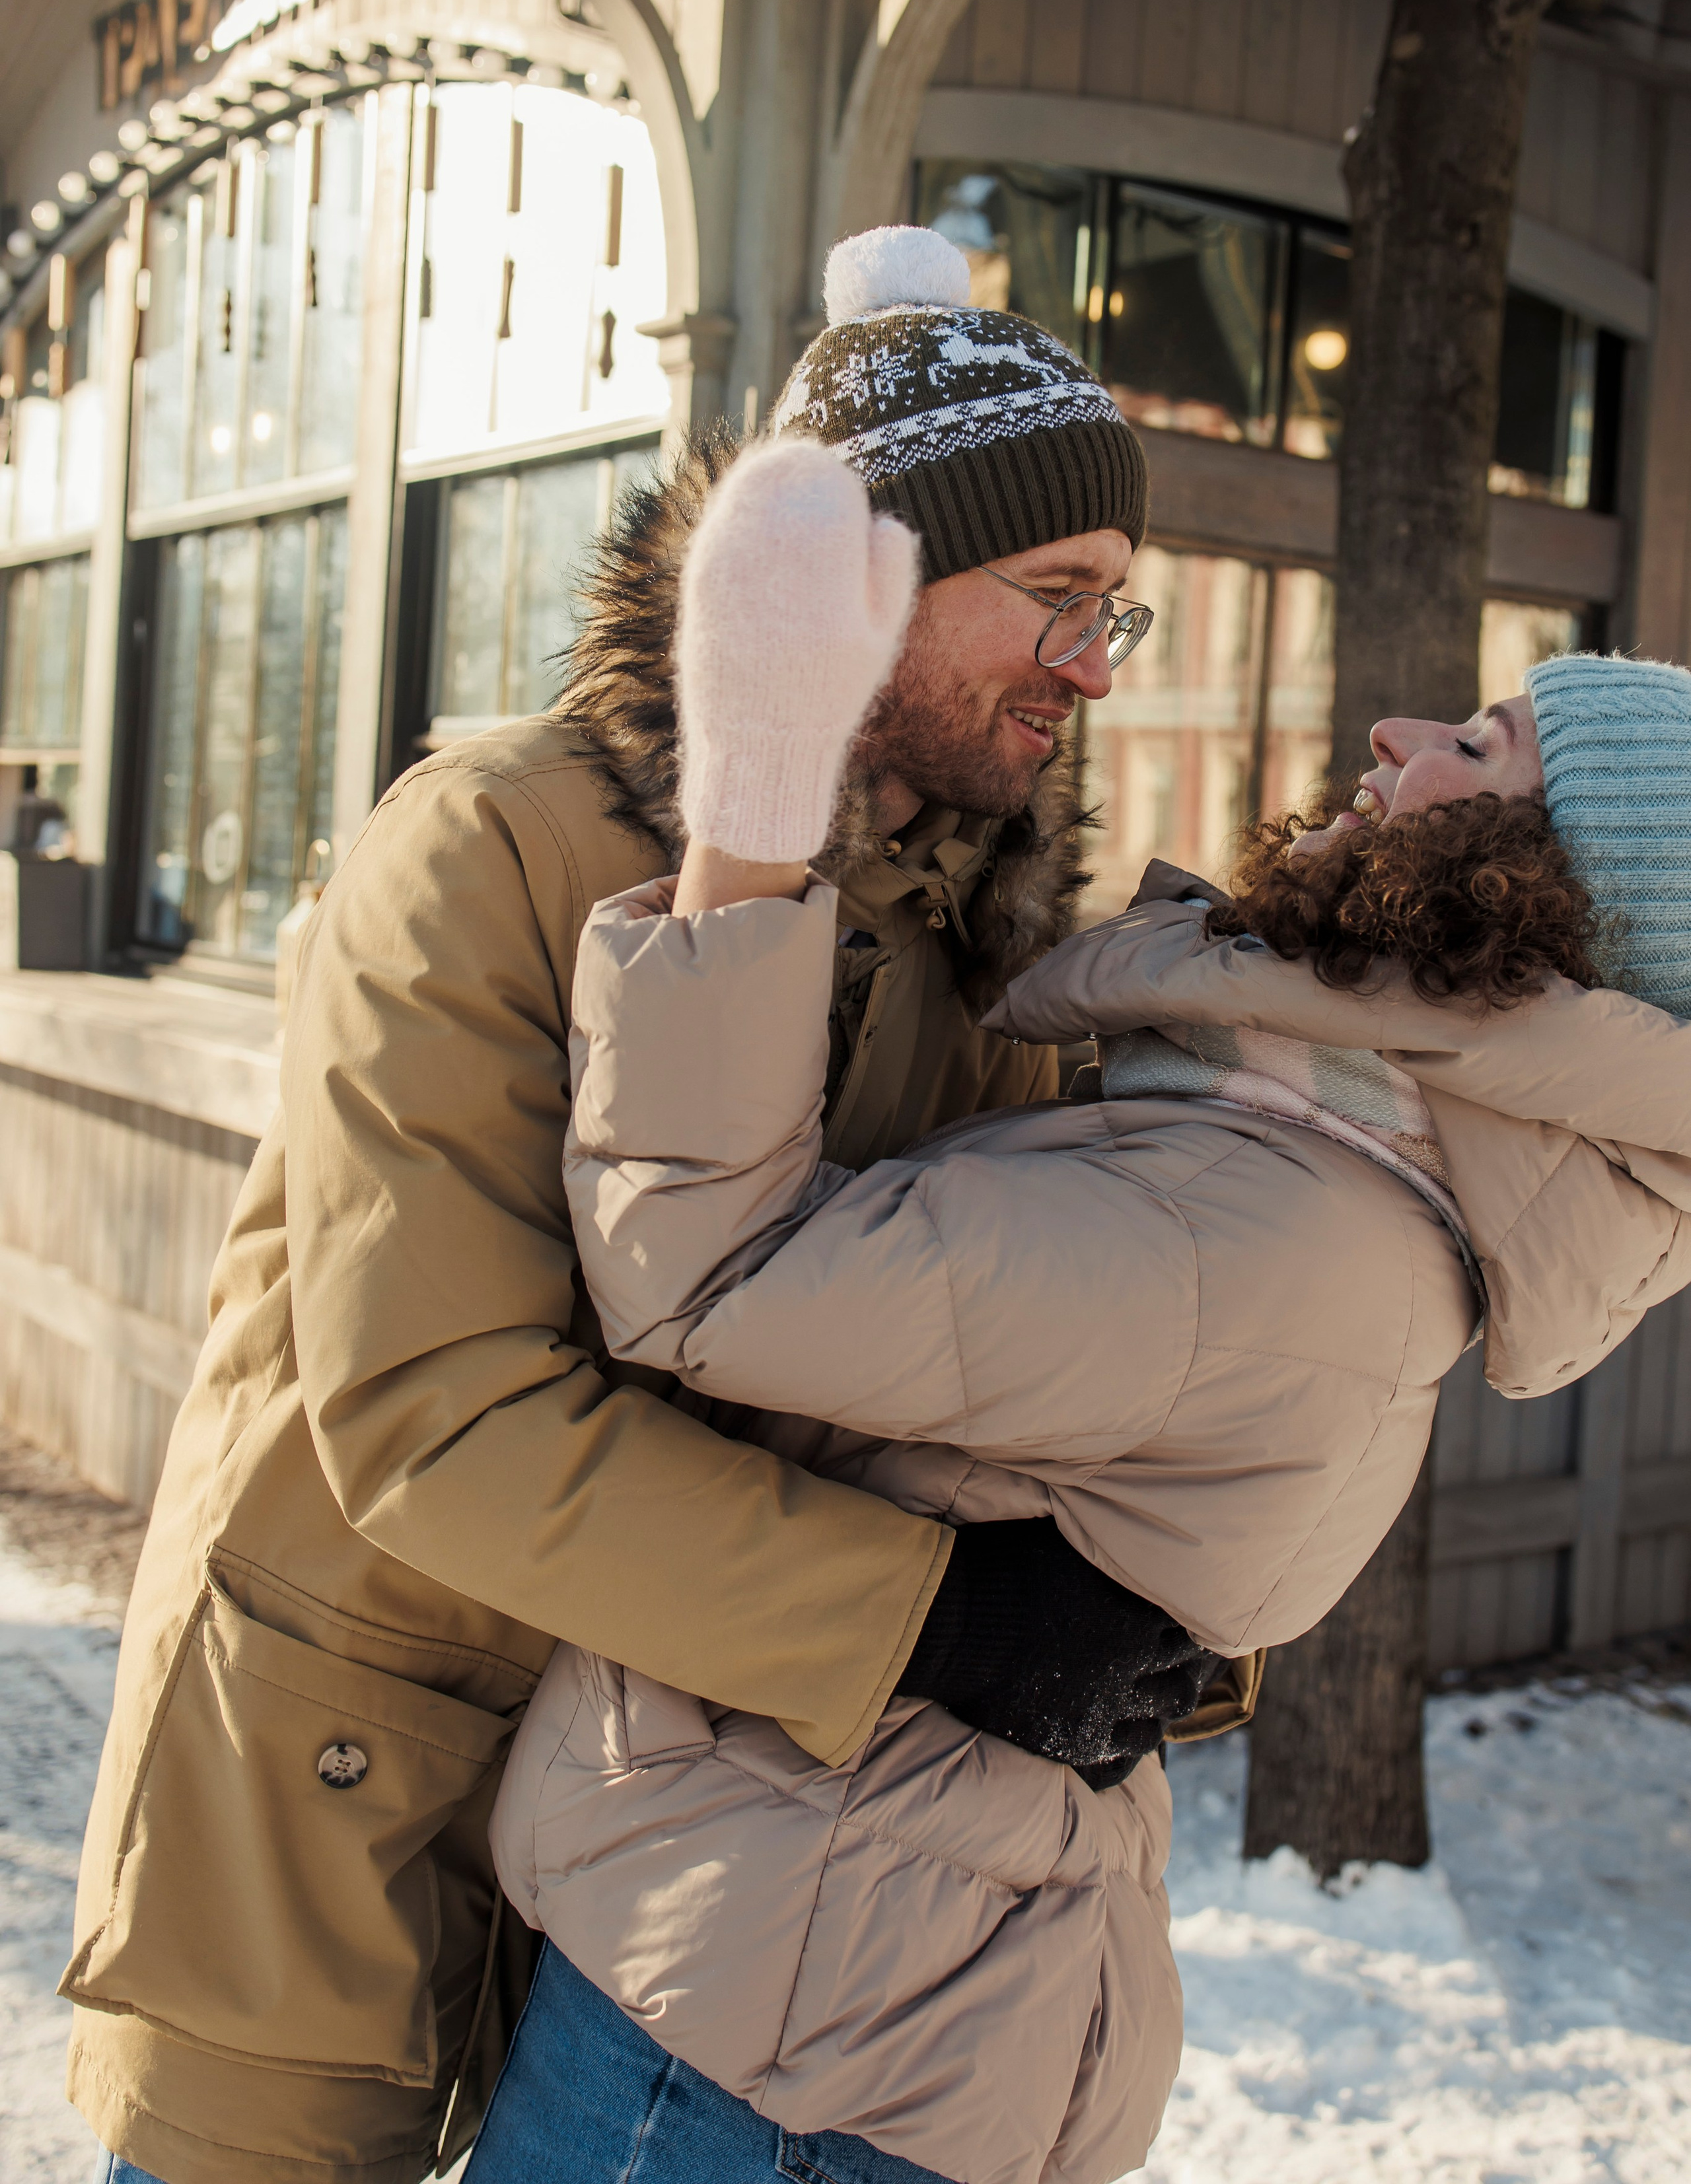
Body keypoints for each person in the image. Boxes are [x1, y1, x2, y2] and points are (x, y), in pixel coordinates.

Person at [65, 229, 1229, 2184]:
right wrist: (935, 1620)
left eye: (1116, 615)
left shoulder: (981, 947)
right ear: (857, 577)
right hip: (327, 1809)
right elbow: (439, 1420)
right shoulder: (495, 844)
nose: (1086, 669)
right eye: (1053, 598)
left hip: (663, 1868)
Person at [478, 439, 1691, 2184]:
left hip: (771, 2035)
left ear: (1550, 894)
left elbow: (707, 1281)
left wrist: (750, 814)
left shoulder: (1267, 1216)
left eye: (1477, 747)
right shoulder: (1308, 1145)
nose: (1400, 738)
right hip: (831, 1978)